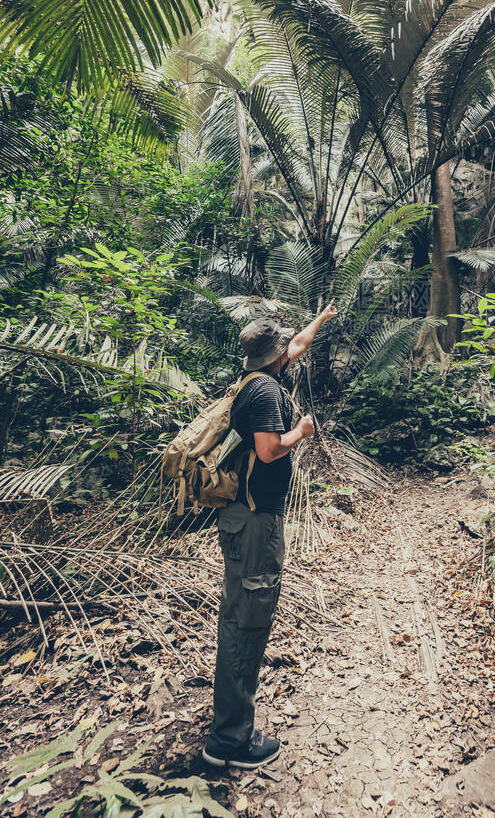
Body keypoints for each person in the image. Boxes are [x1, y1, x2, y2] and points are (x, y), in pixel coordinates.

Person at [202, 301, 338, 769]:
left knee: (242, 614)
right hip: (255, 521)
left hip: (248, 518)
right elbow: (268, 449)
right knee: (248, 620)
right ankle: (230, 742)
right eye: (285, 346)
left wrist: (320, 319)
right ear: (273, 356)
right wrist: (299, 432)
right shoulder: (263, 395)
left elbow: (296, 344)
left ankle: (229, 726)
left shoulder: (257, 378)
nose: (290, 350)